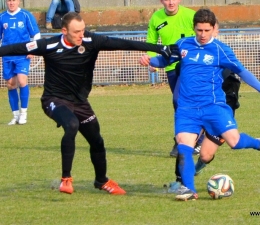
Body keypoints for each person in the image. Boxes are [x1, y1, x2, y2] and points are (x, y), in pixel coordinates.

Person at [0, 12, 177, 195]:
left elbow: (124, 43)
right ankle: (65, 179)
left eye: (83, 30)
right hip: (54, 99)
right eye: (76, 32)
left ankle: (102, 181)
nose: (81, 35)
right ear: (64, 31)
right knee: (71, 125)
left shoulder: (91, 41)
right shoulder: (49, 44)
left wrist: (159, 48)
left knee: (97, 141)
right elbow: (15, 48)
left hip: (80, 102)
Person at [148, 8, 260, 201]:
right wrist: (150, 60)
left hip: (213, 106)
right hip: (187, 108)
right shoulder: (183, 45)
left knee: (234, 142)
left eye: (207, 30)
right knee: (184, 145)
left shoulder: (220, 50)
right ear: (194, 28)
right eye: (199, 30)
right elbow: (163, 60)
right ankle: (189, 190)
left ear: (213, 28)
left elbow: (242, 72)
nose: (202, 35)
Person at [144, 0, 198, 157]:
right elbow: (151, 42)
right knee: (180, 104)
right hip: (170, 66)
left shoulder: (190, 15)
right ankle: (192, 139)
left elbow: (206, 34)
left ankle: (184, 142)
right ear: (161, 0)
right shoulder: (156, 18)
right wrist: (151, 59)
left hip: (190, 66)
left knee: (178, 100)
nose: (171, 3)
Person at [0, 0, 41, 125]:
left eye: (13, 0)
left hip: (22, 54)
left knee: (22, 81)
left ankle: (24, 113)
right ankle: (15, 115)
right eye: (9, 1)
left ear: (18, 1)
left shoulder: (25, 15)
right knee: (11, 84)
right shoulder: (2, 17)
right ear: (6, 2)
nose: (11, 3)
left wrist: (34, 50)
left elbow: (36, 35)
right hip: (7, 55)